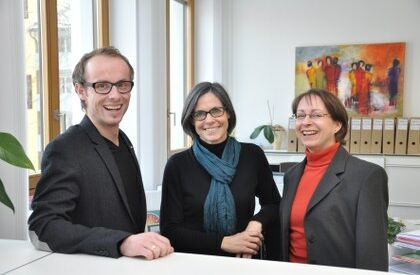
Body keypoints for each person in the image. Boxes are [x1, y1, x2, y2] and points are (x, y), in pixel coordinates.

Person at [28, 47, 173, 260]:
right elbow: (44, 226)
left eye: (122, 85)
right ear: (81, 91)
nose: (115, 95)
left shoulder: (123, 140)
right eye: (102, 86)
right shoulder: (65, 149)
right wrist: (121, 242)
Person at [160, 82, 281, 259]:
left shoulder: (252, 155)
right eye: (200, 114)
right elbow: (170, 231)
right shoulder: (177, 165)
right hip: (194, 264)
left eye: (216, 111)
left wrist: (256, 223)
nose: (209, 120)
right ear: (191, 121)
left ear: (228, 113)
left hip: (244, 262)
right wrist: (225, 242)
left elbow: (273, 204)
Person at [279, 89, 388, 271]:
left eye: (316, 115)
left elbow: (372, 253)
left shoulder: (367, 176)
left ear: (337, 125)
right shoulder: (291, 176)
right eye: (300, 115)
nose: (305, 122)